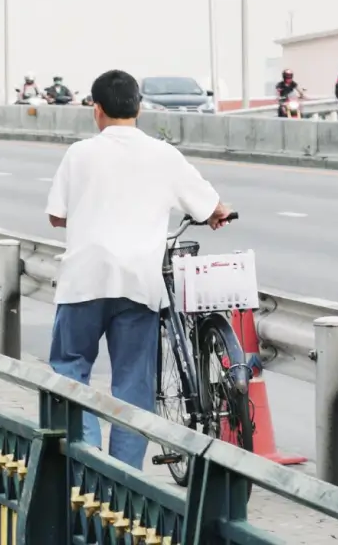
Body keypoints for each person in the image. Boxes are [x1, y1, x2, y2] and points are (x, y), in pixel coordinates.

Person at [44, 69, 234, 469]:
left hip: (85, 281)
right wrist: (218, 214)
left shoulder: (79, 154)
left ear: (96, 110)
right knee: (132, 385)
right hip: (139, 283)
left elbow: (56, 217)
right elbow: (210, 204)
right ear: (139, 108)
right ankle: (123, 480)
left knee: (70, 370)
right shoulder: (163, 154)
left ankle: (88, 463)